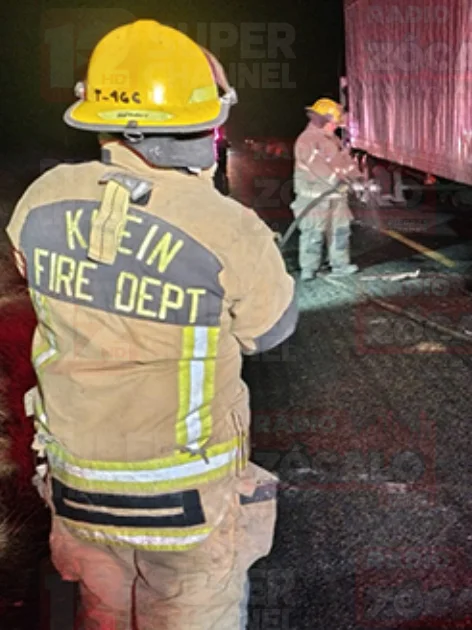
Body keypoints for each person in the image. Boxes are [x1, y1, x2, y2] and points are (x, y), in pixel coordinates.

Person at [5, 20, 295, 629]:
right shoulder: (227, 228)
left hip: (77, 493)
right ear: (204, 126)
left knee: (103, 615)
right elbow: (271, 329)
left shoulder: (41, 199)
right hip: (182, 511)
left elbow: (39, 274)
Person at [291, 98, 364, 280]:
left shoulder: (333, 140)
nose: (335, 126)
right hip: (314, 198)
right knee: (314, 232)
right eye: (333, 123)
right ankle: (309, 268)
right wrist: (338, 182)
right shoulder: (306, 141)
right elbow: (319, 169)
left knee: (340, 230)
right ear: (323, 120)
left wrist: (357, 177)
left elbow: (344, 162)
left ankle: (340, 264)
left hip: (336, 197)